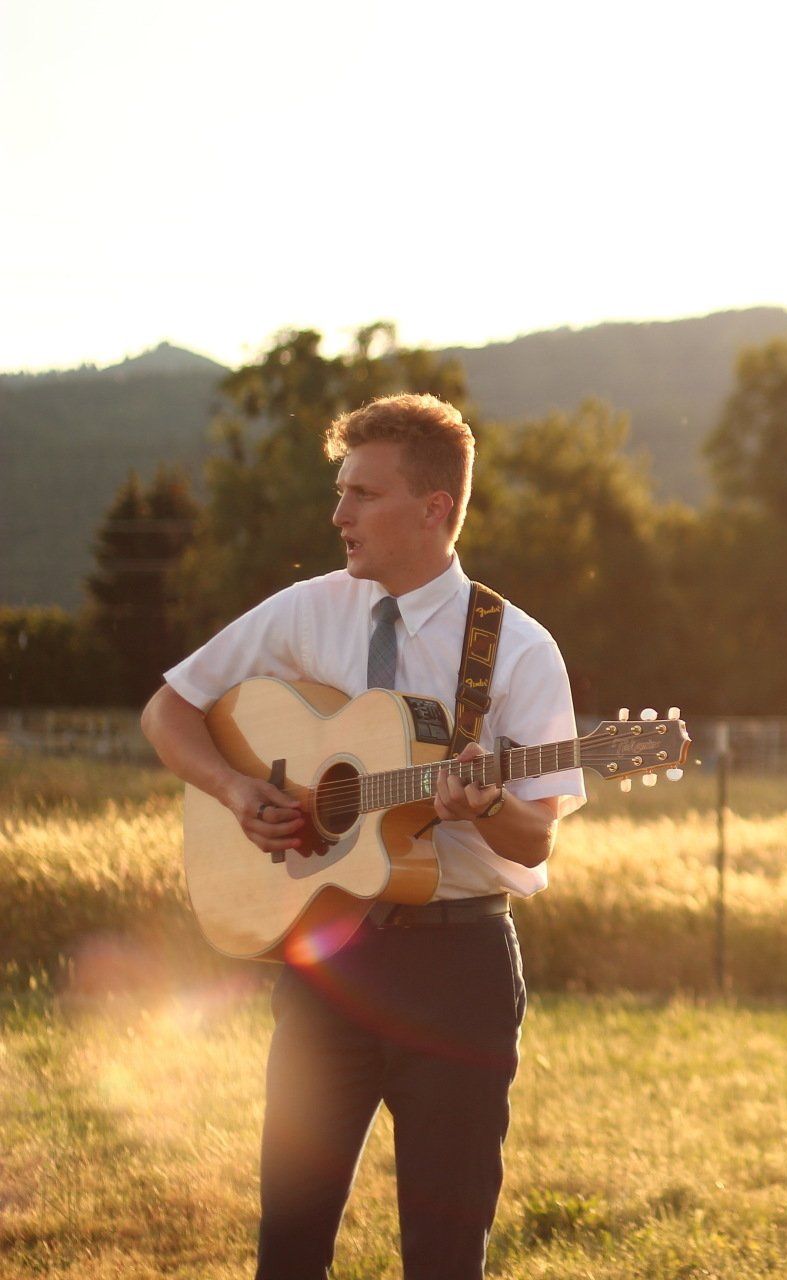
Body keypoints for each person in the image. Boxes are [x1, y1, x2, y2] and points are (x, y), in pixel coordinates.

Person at [141, 393, 585, 1280]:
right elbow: (170, 709)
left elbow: (535, 839)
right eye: (341, 491)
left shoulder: (515, 649)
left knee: (445, 1249)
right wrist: (236, 788)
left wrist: (482, 805)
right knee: (291, 1243)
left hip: (457, 968)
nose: (338, 515)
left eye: (363, 495)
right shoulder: (309, 610)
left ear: (435, 509)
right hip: (326, 959)